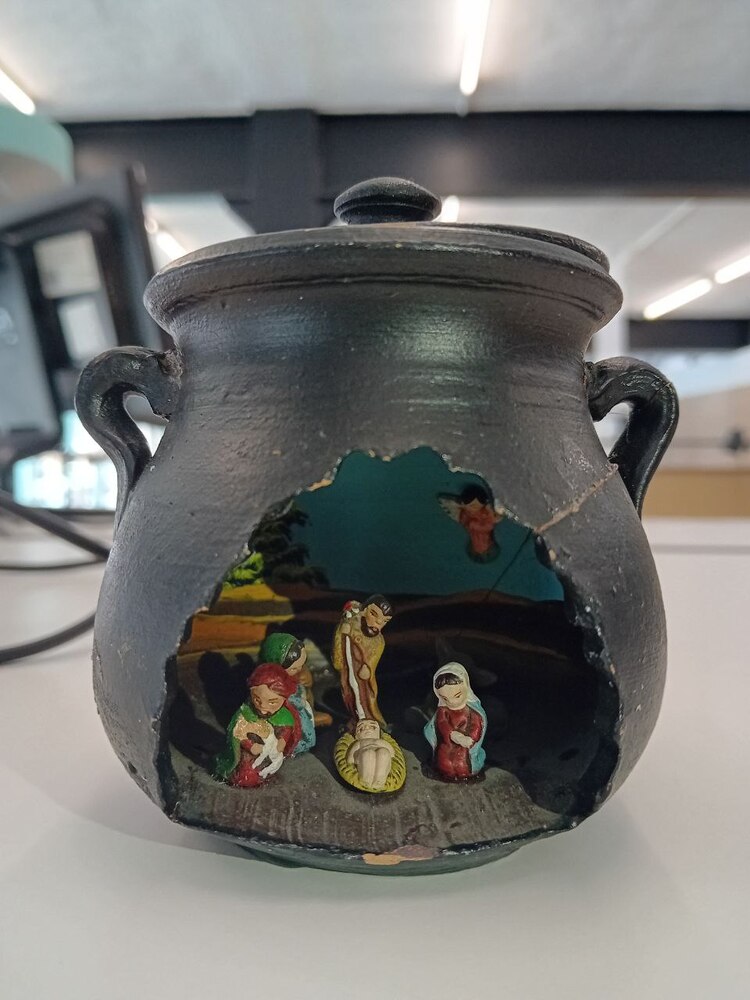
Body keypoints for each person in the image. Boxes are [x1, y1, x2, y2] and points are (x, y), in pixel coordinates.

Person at [214, 663, 301, 787]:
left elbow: (286, 729)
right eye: (257, 700)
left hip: (271, 753)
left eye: (272, 702)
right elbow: (238, 733)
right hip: (249, 755)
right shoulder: (246, 713)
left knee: (268, 769)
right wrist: (250, 745)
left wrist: (282, 741)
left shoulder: (284, 716)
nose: (263, 708)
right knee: (246, 778)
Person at [332, 595, 392, 727]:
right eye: (374, 615)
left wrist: (368, 667)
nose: (378, 623)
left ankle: (369, 720)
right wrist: (342, 633)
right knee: (350, 695)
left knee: (366, 698)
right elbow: (339, 654)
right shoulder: (350, 624)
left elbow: (373, 659)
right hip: (349, 672)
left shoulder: (378, 641)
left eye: (384, 621)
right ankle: (356, 718)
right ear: (364, 611)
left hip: (362, 679)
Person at [423, 662, 487, 781]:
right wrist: (452, 734)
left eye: (457, 696)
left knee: (461, 765)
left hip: (464, 748)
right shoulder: (443, 710)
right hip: (446, 745)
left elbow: (477, 725)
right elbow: (441, 723)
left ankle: (464, 774)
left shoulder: (472, 712)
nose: (452, 702)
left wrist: (470, 739)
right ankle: (446, 773)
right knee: (444, 763)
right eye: (445, 698)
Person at [259, 632, 318, 754]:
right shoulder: (272, 686)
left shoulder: (295, 675)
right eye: (294, 668)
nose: (299, 670)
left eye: (302, 665)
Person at [345, 719, 395, 791]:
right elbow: (351, 756)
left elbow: (392, 754)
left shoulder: (381, 741)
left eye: (372, 727)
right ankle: (366, 779)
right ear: (356, 735)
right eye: (362, 728)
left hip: (380, 754)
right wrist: (350, 761)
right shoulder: (359, 743)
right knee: (368, 754)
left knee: (384, 753)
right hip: (363, 755)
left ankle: (380, 779)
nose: (367, 729)